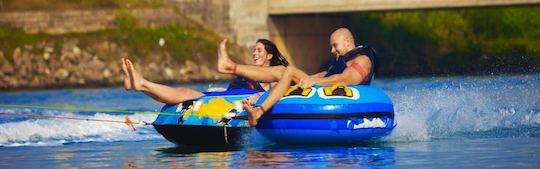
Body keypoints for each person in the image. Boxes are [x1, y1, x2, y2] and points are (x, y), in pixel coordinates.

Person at [217, 28, 376, 126]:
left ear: (348, 41)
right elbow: (319, 76)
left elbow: (347, 79)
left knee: (291, 71)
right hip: (325, 92)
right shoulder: (339, 63)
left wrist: (315, 80)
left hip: (343, 102)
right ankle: (231, 66)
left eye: (335, 45)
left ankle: (259, 112)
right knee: (283, 70)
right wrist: (266, 93)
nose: (332, 50)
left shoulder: (362, 59)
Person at [122, 39, 289, 104]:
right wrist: (223, 91)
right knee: (182, 94)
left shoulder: (274, 76)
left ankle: (142, 84)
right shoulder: (251, 71)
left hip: (233, 104)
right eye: (254, 50)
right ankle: (140, 85)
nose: (254, 53)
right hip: (225, 98)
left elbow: (277, 92)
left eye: (259, 50)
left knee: (185, 93)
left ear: (270, 55)